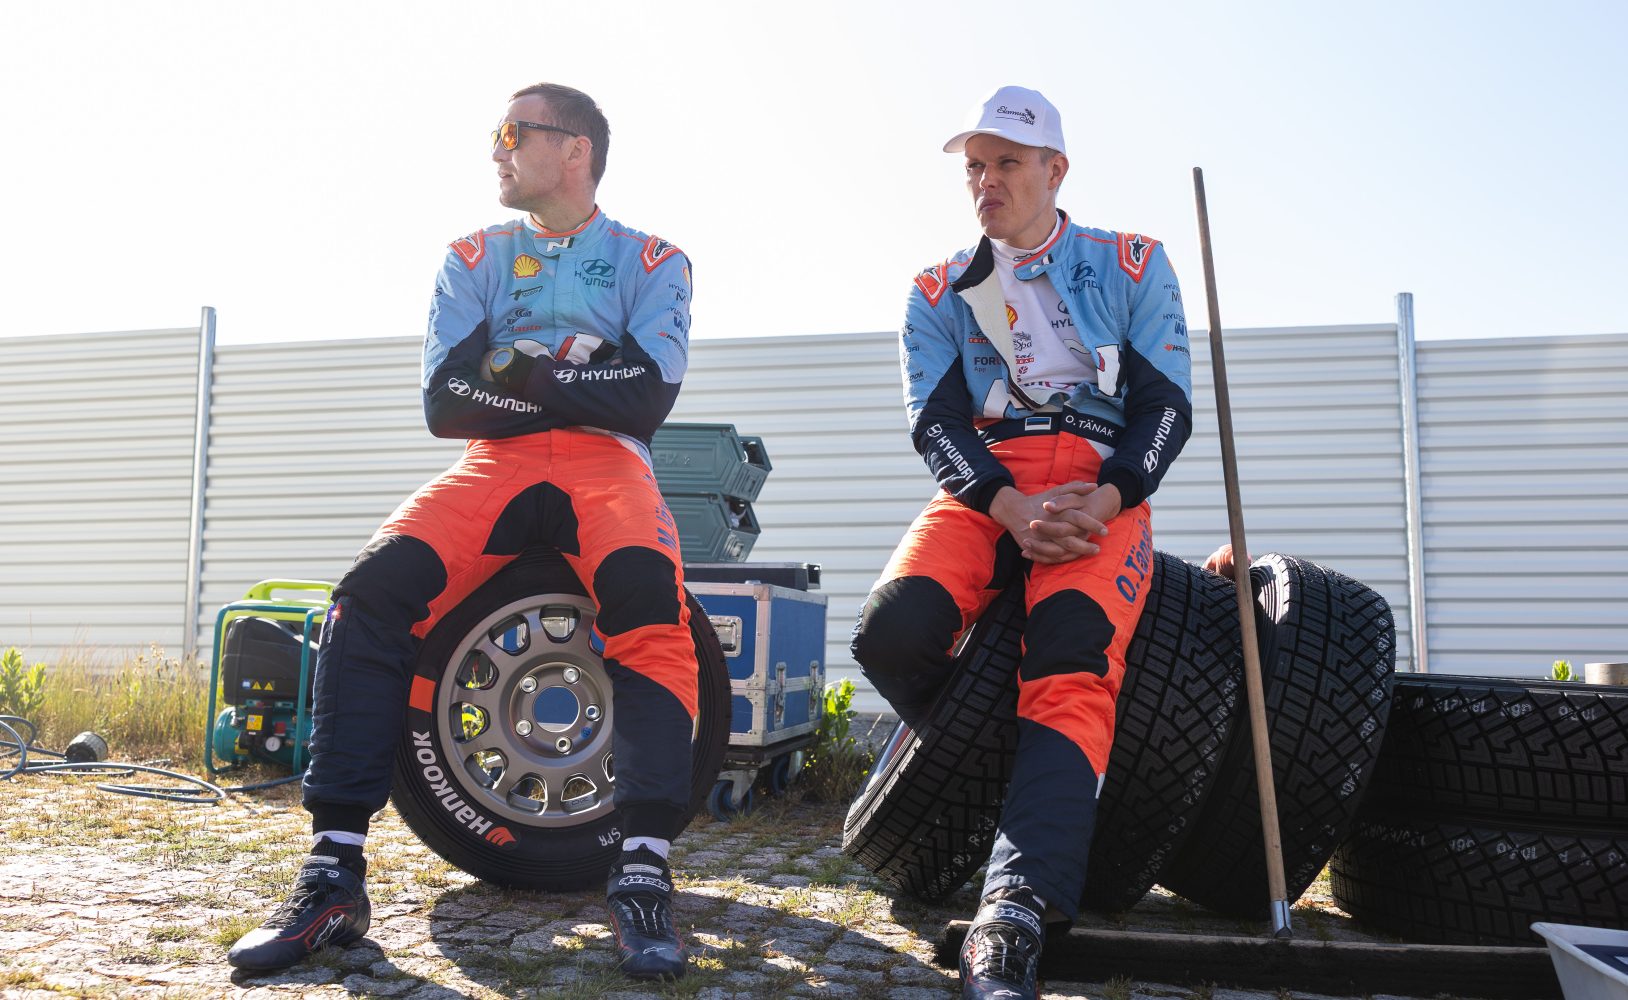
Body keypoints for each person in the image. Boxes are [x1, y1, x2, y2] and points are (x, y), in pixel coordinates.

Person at [228, 82, 699, 982]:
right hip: (496, 462)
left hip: (609, 466)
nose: (496, 147)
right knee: (366, 597)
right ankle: (333, 875)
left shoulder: (656, 258)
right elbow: (446, 404)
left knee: (649, 602)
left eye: (513, 131)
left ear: (575, 150)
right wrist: (579, 378)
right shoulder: (472, 254)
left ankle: (642, 875)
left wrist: (516, 370)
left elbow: (647, 397)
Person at [851, 85, 1193, 1000]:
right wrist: (1008, 506)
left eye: (1006, 162)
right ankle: (1018, 780)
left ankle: (1014, 912)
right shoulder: (936, 287)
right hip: (986, 485)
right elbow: (934, 423)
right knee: (890, 632)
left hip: (1096, 486)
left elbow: (1166, 408)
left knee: (1070, 661)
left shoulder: (1132, 261)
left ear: (1055, 170)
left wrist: (1107, 498)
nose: (986, 181)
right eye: (974, 166)